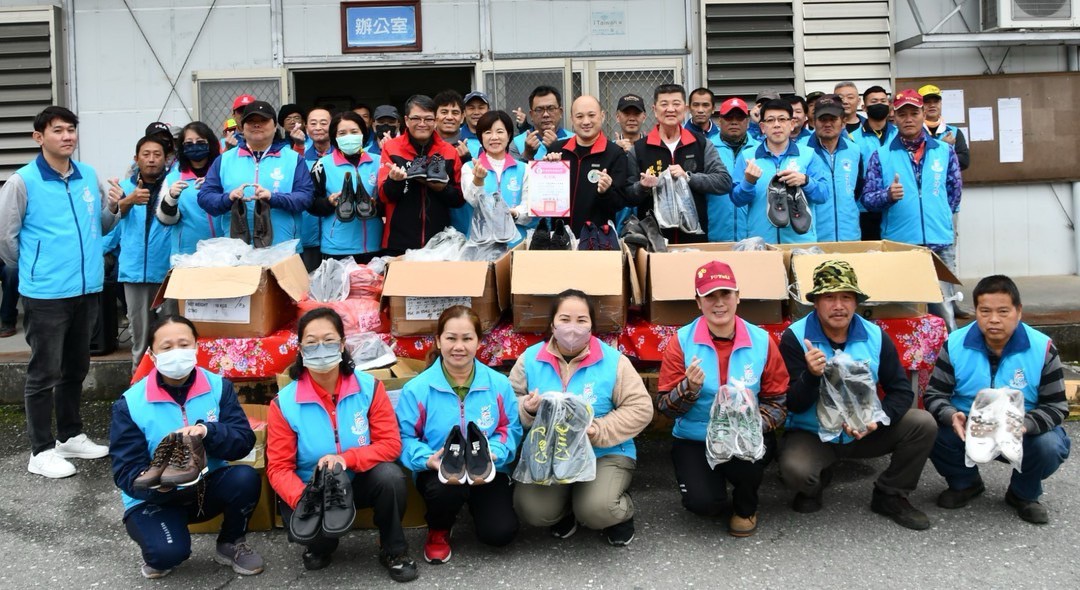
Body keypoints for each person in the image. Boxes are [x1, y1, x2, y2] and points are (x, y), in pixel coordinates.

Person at [0, 106, 117, 478]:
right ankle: (40, 450)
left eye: (71, 129)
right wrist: (36, 268)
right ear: (39, 137)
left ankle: (69, 435)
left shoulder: (88, 176)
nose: (67, 136)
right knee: (43, 372)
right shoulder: (22, 181)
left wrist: (115, 206)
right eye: (58, 130)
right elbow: (6, 240)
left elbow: (101, 224)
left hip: (86, 288)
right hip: (46, 293)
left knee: (76, 368)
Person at [778, 261, 937, 531]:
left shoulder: (875, 336)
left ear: (856, 302)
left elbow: (900, 390)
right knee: (796, 471)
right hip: (813, 433)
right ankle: (815, 483)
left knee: (923, 424)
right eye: (829, 297)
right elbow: (792, 404)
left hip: (866, 431)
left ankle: (890, 494)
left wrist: (878, 419)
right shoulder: (795, 338)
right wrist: (811, 376)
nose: (838, 306)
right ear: (815, 302)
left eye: (846, 297)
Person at [267, 308, 418, 580]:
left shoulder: (370, 388)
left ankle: (393, 548)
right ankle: (320, 546)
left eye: (329, 340)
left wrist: (346, 459)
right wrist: (304, 498)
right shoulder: (284, 403)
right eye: (311, 342)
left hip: (359, 480)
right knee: (317, 541)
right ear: (300, 349)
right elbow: (278, 467)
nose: (320, 348)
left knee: (390, 477)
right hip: (312, 489)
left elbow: (390, 444)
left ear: (342, 344)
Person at [110, 315, 263, 579]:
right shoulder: (130, 403)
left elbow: (243, 441)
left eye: (184, 344)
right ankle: (164, 539)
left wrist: (207, 431)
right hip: (155, 499)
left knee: (245, 478)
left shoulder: (218, 387)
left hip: (206, 487)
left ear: (196, 347)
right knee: (166, 556)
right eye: (166, 347)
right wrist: (156, 481)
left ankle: (231, 542)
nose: (176, 353)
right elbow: (124, 470)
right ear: (152, 354)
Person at [925, 275, 1071, 525]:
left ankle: (1023, 493)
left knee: (1049, 445)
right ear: (976, 312)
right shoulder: (955, 344)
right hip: (970, 426)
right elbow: (934, 394)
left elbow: (1056, 406)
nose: (993, 319)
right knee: (928, 428)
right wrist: (951, 415)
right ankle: (965, 482)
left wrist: (1024, 425)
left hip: (1022, 429)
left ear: (1018, 311)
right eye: (985, 311)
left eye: (1003, 311)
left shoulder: (1042, 348)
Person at [511, 289, 652, 545]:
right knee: (532, 510)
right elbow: (509, 402)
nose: (572, 328)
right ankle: (567, 510)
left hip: (603, 453)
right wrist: (527, 408)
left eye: (581, 320)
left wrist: (599, 429)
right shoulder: (530, 359)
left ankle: (618, 514)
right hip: (548, 454)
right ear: (552, 324)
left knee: (597, 509)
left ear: (591, 326)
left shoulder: (614, 361)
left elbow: (640, 407)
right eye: (565, 319)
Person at [657, 261, 788, 537]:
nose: (719, 303)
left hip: (745, 436)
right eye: (710, 296)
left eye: (726, 294)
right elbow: (666, 408)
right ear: (698, 302)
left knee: (750, 463)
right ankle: (712, 486)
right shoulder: (681, 341)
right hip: (696, 436)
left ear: (738, 296)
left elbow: (778, 401)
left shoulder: (762, 340)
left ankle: (745, 508)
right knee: (703, 504)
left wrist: (749, 426)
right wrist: (689, 388)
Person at [396, 305, 523, 564]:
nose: (459, 346)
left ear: (479, 341)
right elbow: (404, 436)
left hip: (488, 469)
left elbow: (510, 427)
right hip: (441, 471)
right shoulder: (417, 389)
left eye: (467, 338)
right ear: (438, 340)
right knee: (445, 492)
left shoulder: (498, 384)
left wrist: (495, 452)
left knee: (499, 533)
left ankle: (478, 510)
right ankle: (439, 529)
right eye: (451, 338)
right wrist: (427, 459)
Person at [861, 90, 962, 325]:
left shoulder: (944, 151)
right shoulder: (881, 155)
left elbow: (954, 193)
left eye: (914, 113)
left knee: (944, 311)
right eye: (902, 114)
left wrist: (937, 215)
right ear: (894, 117)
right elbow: (868, 199)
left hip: (939, 243)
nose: (908, 119)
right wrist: (887, 195)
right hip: (901, 244)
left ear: (923, 114)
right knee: (904, 311)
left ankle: (947, 349)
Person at [198, 100, 314, 251]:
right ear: (242, 127)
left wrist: (273, 198)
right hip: (236, 251)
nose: (257, 125)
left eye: (263, 120)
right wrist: (228, 198)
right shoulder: (224, 160)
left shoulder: (293, 159)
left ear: (275, 126)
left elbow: (306, 197)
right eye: (251, 121)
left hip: (283, 250)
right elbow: (205, 197)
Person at [625, 84, 732, 245]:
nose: (670, 109)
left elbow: (724, 182)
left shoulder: (701, 144)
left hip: (694, 240)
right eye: (664, 104)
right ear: (654, 109)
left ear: (685, 108)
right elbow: (627, 195)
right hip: (653, 242)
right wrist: (642, 187)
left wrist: (689, 178)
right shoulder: (639, 149)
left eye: (676, 104)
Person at [730, 98, 829, 244]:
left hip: (801, 242)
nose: (777, 125)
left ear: (792, 124)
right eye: (770, 120)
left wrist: (806, 181)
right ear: (762, 127)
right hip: (761, 242)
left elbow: (823, 195)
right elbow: (737, 200)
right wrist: (748, 182)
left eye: (782, 119)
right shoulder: (747, 156)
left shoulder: (808, 154)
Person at [377, 94, 465, 255]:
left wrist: (442, 188)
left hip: (440, 243)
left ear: (435, 121)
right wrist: (394, 181)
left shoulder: (449, 151)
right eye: (416, 118)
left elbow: (459, 199)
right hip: (398, 241)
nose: (422, 124)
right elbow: (384, 196)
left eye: (428, 119)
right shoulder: (391, 148)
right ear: (406, 120)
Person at [115, 135, 176, 367]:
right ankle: (139, 384)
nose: (151, 159)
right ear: (136, 158)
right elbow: (112, 218)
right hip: (134, 273)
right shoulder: (124, 187)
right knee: (140, 341)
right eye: (146, 154)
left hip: (168, 273)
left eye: (157, 154)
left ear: (166, 159)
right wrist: (129, 200)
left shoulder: (174, 185)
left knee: (171, 336)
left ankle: (172, 382)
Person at [545, 95, 630, 236]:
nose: (586, 121)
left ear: (602, 116)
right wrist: (547, 172)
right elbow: (544, 201)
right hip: (560, 238)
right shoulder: (557, 150)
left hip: (598, 240)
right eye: (579, 116)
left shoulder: (615, 154)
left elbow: (619, 204)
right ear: (572, 119)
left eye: (591, 115)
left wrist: (606, 191)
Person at [309, 111, 384, 263]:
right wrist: (328, 202)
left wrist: (376, 205)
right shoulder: (322, 165)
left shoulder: (379, 161)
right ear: (334, 137)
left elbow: (390, 200)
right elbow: (310, 203)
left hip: (375, 244)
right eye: (342, 133)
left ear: (363, 133)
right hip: (336, 247)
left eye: (354, 132)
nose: (349, 137)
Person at [461, 110, 532, 246]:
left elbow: (530, 208)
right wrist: (478, 180)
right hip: (481, 245)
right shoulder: (469, 167)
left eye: (500, 132)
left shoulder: (524, 169)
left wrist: (514, 213)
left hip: (516, 244)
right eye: (488, 132)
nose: (494, 137)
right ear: (481, 137)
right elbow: (473, 201)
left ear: (509, 135)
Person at [157, 121, 226, 256]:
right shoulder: (173, 179)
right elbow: (166, 220)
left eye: (200, 142)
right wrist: (171, 199)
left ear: (210, 143)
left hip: (224, 253)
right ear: (182, 147)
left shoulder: (223, 173)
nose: (194, 145)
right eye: (189, 143)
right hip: (187, 255)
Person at [807, 94, 864, 242]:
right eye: (822, 119)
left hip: (850, 236)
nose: (827, 124)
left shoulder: (854, 150)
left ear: (843, 122)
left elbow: (858, 189)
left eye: (833, 119)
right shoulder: (802, 152)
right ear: (814, 121)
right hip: (813, 238)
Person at [848, 86, 895, 241]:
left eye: (883, 101)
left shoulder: (899, 135)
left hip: (895, 204)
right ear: (864, 107)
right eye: (874, 101)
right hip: (864, 209)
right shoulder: (852, 138)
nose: (879, 104)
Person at [708, 97, 756, 242]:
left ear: (747, 121)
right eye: (729, 117)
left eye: (739, 117)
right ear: (719, 121)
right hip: (714, 236)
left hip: (752, 237)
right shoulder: (707, 148)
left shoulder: (759, 150)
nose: (734, 122)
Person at [509, 86, 574, 161]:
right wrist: (527, 155)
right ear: (531, 115)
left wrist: (557, 147)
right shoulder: (517, 142)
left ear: (560, 112)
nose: (545, 114)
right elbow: (512, 168)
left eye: (551, 108)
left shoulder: (574, 140)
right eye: (539, 110)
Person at [919, 84, 970, 171]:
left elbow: (964, 161)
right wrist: (943, 146)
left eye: (936, 101)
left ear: (941, 104)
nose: (932, 105)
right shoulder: (914, 132)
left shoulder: (954, 132)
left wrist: (932, 155)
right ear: (920, 105)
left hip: (947, 179)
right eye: (927, 102)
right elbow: (913, 160)